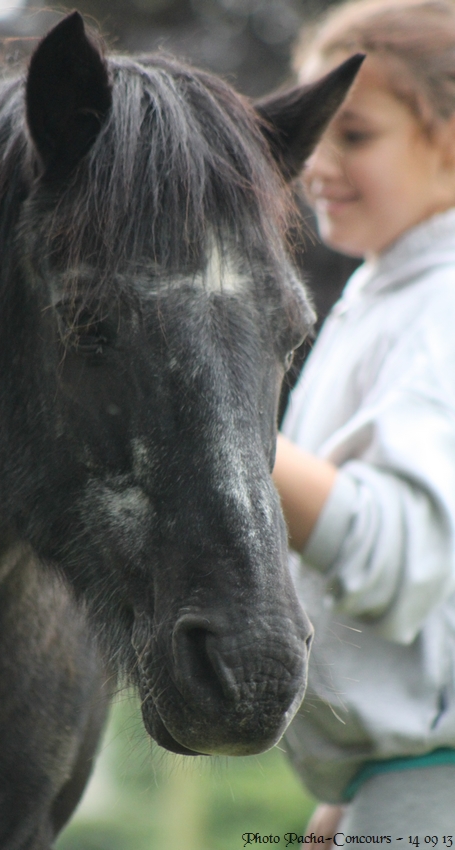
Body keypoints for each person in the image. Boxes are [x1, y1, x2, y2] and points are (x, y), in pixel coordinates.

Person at [273, 0, 455, 837]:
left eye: (355, 135)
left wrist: (233, 443)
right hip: (395, 783)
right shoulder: (387, 292)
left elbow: (401, 552)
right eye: (316, 131)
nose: (316, 161)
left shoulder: (442, 306)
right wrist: (350, 788)